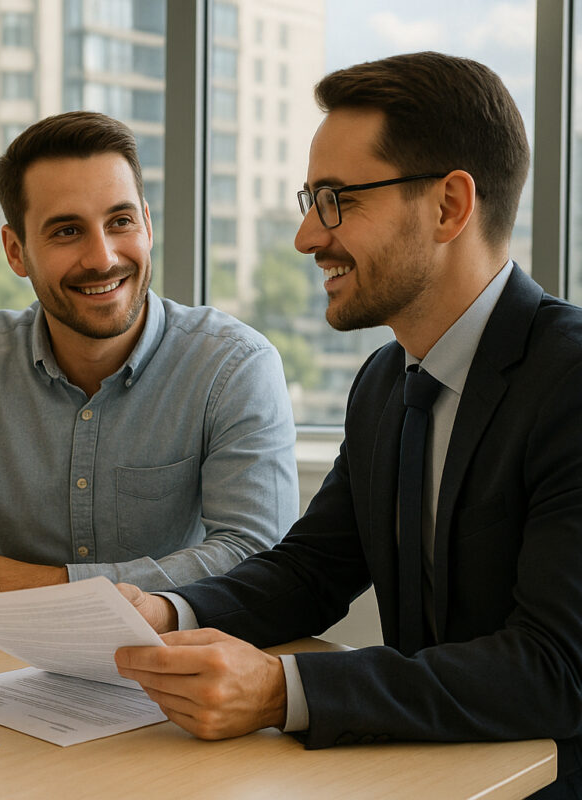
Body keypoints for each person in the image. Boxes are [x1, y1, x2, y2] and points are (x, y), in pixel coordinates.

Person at [114, 52, 582, 798]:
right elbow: (312, 570)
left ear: (449, 206)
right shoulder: (385, 382)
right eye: (312, 199)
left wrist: (282, 691)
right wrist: (169, 611)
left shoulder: (570, 380)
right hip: (425, 775)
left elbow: (555, 670)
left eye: (337, 200)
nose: (307, 236)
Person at [0, 110, 298, 592]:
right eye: (67, 231)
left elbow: (256, 555)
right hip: (3, 641)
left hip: (175, 638)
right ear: (15, 251)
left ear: (147, 225)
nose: (103, 258)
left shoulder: (234, 367)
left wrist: (36, 584)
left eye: (120, 221)